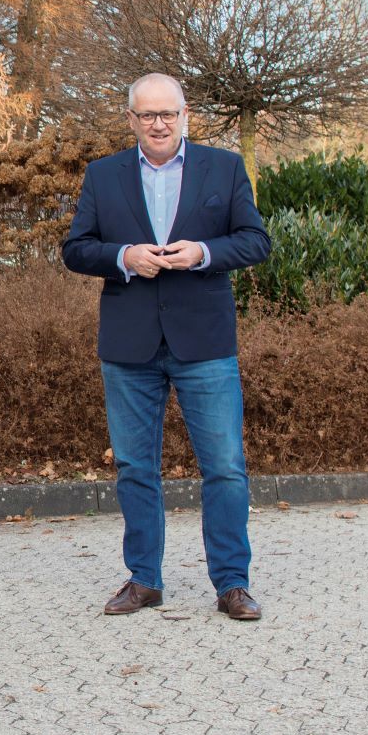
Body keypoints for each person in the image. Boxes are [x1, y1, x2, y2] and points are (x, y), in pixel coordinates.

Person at [62, 74, 271, 621]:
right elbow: (76, 249)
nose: (158, 124)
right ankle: (144, 579)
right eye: (147, 115)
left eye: (168, 114)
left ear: (185, 116)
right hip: (129, 343)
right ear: (130, 119)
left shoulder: (222, 167)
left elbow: (255, 240)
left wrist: (201, 251)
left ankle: (231, 583)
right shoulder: (103, 175)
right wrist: (123, 257)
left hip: (204, 342)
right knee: (135, 466)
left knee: (224, 465)